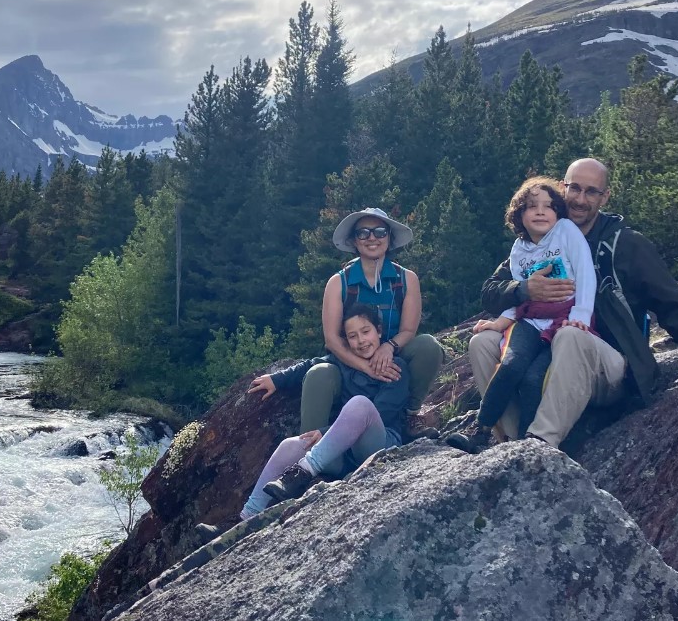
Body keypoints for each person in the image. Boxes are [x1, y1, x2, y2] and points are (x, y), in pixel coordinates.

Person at [466, 157, 678, 448]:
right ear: (562, 187)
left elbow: (674, 305)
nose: (580, 199)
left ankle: (541, 443)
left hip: (610, 370)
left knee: (571, 334)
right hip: (542, 353)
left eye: (591, 191)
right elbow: (490, 292)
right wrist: (523, 290)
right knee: (482, 343)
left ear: (605, 197)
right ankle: (507, 440)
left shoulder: (626, 245)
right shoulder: (541, 239)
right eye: (574, 188)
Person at [447, 177, 598, 454]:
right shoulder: (519, 249)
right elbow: (518, 294)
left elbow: (586, 272)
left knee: (534, 379)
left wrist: (582, 315)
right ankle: (482, 430)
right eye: (531, 206)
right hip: (529, 322)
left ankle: (527, 446)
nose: (540, 211)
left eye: (548, 206)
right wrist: (499, 323)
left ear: (558, 212)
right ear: (519, 215)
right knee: (510, 366)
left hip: (562, 321)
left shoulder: (566, 231)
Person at [236, 303, 410, 519]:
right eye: (353, 336)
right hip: (344, 454)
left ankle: (303, 471)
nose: (361, 341)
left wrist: (325, 431)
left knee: (360, 404)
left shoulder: (396, 367)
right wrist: (276, 379)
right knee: (289, 446)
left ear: (379, 331)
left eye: (366, 332)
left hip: (378, 446)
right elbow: (308, 365)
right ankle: (247, 516)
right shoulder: (344, 362)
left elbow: (382, 415)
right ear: (346, 341)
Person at [300, 208, 443, 446]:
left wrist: (388, 347)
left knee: (428, 346)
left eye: (379, 231)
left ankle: (409, 416)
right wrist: (367, 367)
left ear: (389, 237)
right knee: (320, 374)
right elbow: (332, 340)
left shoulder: (407, 279)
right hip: (350, 362)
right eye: (363, 233)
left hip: (393, 363)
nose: (372, 238)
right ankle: (306, 450)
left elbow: (408, 329)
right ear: (354, 241)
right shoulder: (338, 283)